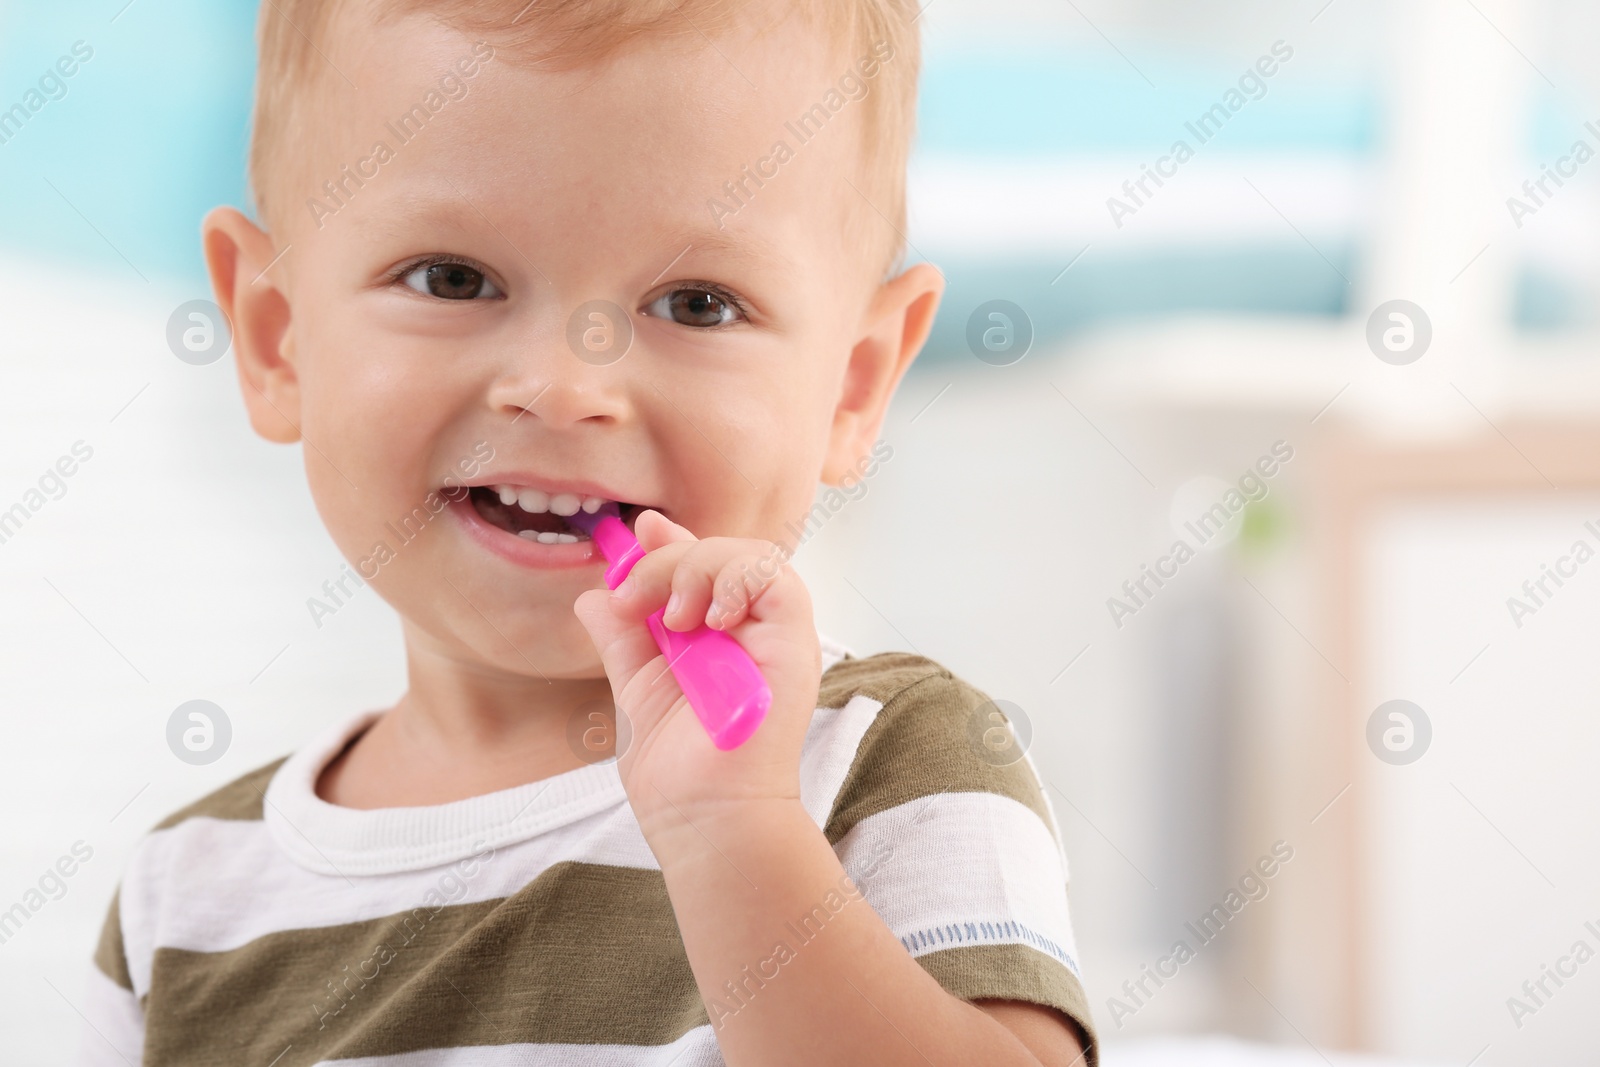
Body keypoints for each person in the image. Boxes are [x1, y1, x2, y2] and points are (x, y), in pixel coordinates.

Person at [83, 2, 1096, 1063]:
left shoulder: (884, 763)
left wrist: (734, 832)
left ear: (855, 384)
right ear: (274, 338)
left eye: (697, 303)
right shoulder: (186, 898)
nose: (565, 388)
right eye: (452, 278)